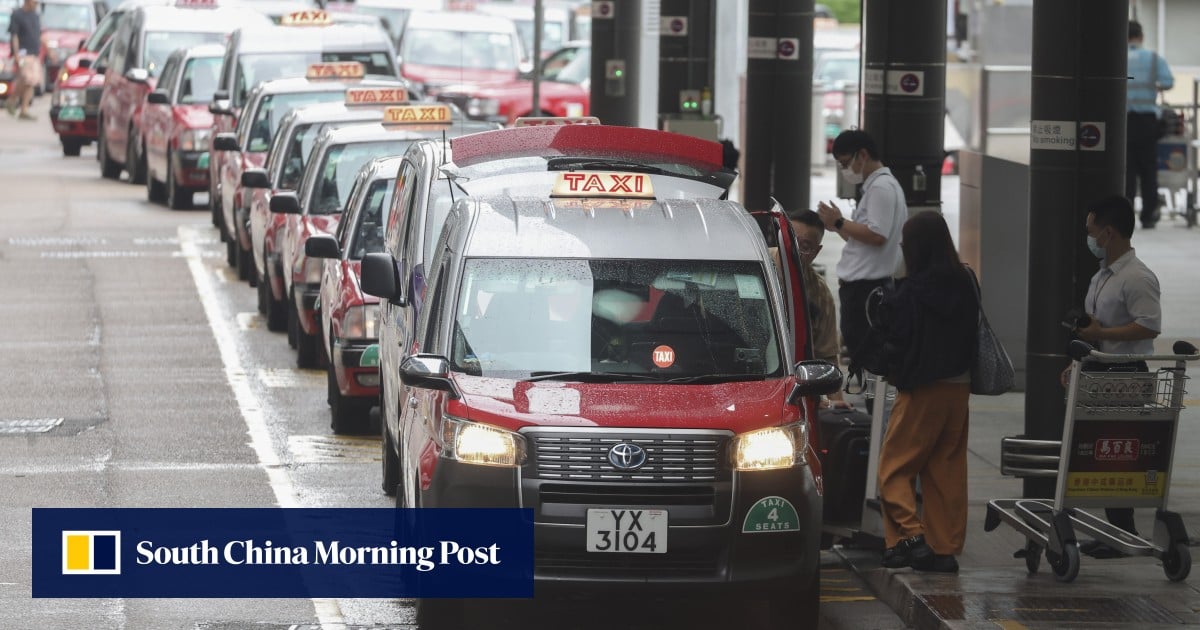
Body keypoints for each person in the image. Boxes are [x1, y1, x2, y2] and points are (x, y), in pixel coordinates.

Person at [874, 211, 977, 573]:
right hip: (959, 388)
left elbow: (898, 343)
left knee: (893, 468)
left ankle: (913, 536)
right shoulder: (966, 281)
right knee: (945, 469)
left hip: (923, 390)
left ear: (915, 248)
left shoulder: (911, 290)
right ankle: (942, 549)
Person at [1062, 194, 1161, 558]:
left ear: (1107, 233)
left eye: (1090, 231)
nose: (1087, 238)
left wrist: (1100, 335)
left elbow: (1149, 327)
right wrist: (1080, 359)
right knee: (1100, 449)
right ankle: (1113, 529)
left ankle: (1123, 530)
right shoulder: (1103, 275)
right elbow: (1095, 327)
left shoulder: (1138, 278)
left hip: (1126, 373)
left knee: (1119, 451)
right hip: (1099, 368)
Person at [816, 130, 906, 386]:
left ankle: (874, 417)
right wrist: (838, 226)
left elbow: (877, 235)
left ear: (862, 155)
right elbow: (866, 240)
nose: (846, 170)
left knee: (869, 358)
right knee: (865, 356)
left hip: (865, 289)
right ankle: (874, 414)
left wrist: (840, 221)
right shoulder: (881, 187)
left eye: (846, 163)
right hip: (866, 286)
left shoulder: (881, 188)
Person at [789, 209, 850, 409]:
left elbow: (828, 356)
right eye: (792, 240)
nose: (796, 249)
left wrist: (836, 401)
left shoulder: (820, 293)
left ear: (817, 251)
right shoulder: (758, 271)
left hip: (798, 386)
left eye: (805, 246)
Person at [1126, 20, 1174, 229]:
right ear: (1141, 37)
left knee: (1126, 170)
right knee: (1148, 170)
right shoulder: (1154, 59)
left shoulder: (1117, 56)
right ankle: (1148, 216)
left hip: (1124, 122)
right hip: (1147, 121)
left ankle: (1125, 216)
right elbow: (1168, 82)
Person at [5, 0, 42, 121]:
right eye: (34, 2)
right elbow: (14, 35)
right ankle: (14, 101)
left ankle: (22, 108)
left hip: (34, 53)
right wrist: (16, 54)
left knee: (31, 81)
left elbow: (38, 34)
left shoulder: (35, 16)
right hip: (22, 53)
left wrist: (48, 49)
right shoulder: (17, 15)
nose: (36, 4)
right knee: (26, 78)